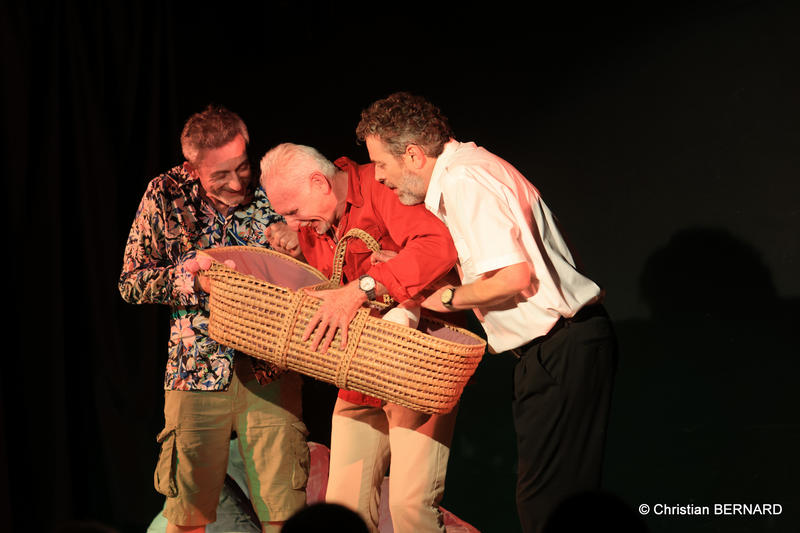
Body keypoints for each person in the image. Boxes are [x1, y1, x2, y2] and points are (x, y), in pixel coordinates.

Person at [355, 92, 618, 533]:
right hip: (562, 348)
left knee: (546, 508)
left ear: (414, 155)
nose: (378, 177)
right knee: (560, 503)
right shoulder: (470, 169)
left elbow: (515, 278)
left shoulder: (464, 182)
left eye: (381, 164)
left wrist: (442, 300)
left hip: (559, 347)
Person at [119, 105, 308, 533]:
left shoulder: (271, 187)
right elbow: (131, 282)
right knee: (187, 513)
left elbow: (319, 264)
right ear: (193, 167)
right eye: (221, 174)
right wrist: (195, 285)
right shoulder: (164, 194)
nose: (238, 181)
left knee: (285, 512)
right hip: (195, 368)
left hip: (270, 367)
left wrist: (300, 243)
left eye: (242, 166)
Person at [258, 143, 458, 533]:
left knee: (410, 509)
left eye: (294, 211)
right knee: (340, 512)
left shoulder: (381, 187)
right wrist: (297, 255)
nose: (293, 222)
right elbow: (328, 287)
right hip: (359, 375)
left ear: (320, 182)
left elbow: (439, 247)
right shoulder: (319, 224)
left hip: (413, 366)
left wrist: (362, 288)